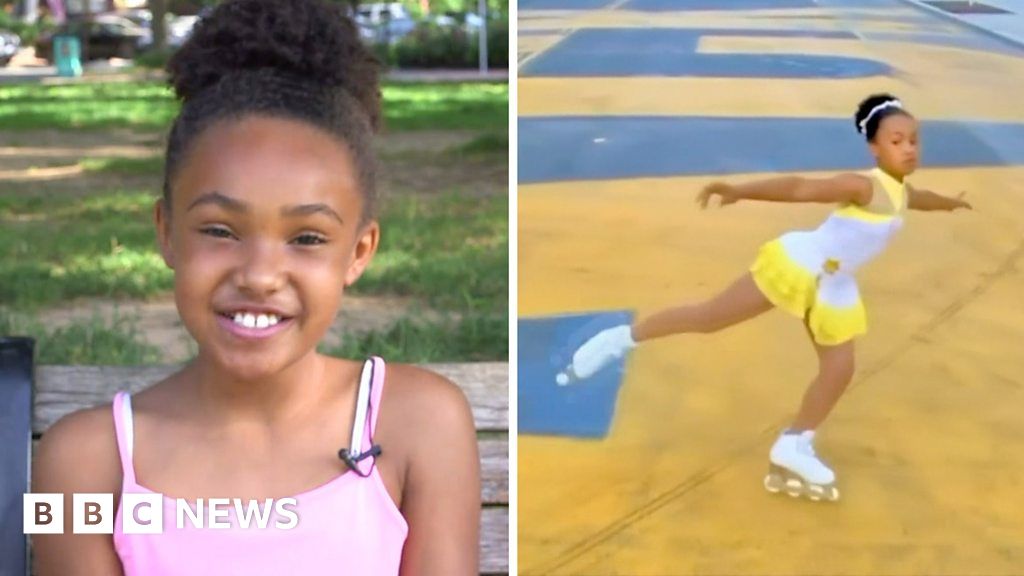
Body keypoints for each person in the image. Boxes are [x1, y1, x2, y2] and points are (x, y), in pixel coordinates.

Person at [32, 0, 480, 573]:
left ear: (359, 252)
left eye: (308, 238)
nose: (260, 276)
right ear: (167, 233)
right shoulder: (79, 464)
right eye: (220, 230)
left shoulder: (421, 422)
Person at [560, 93, 971, 502]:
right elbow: (799, 188)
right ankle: (620, 339)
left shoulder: (900, 192)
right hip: (801, 266)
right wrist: (741, 191)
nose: (909, 148)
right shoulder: (861, 185)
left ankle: (794, 443)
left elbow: (920, 200)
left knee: (839, 368)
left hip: (833, 283)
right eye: (897, 140)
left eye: (914, 139)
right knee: (709, 318)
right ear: (874, 147)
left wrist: (951, 203)